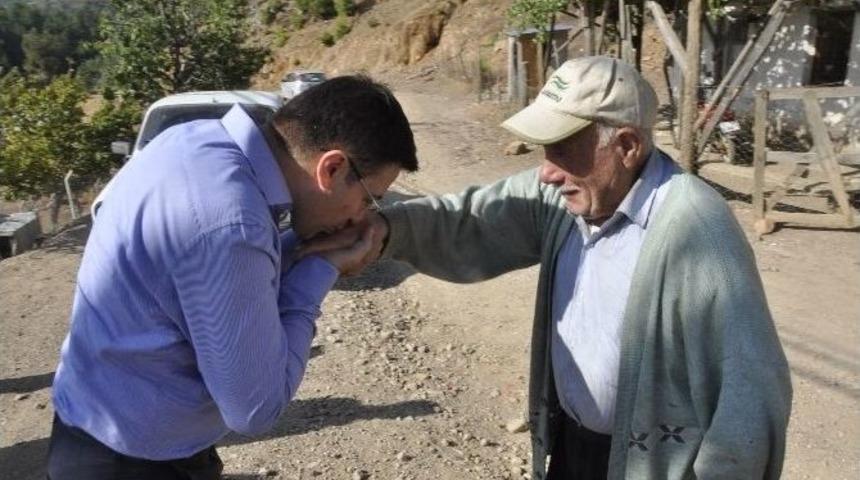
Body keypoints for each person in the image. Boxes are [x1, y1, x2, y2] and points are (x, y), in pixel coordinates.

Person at [305, 56, 792, 479]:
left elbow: (752, 398)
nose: (546, 170)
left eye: (562, 148)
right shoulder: (569, 198)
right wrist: (381, 230)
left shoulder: (695, 228)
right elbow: (471, 220)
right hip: (571, 448)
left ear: (626, 146)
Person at [47, 75, 417, 479]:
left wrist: (302, 246)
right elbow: (255, 409)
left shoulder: (193, 139)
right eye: (367, 198)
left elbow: (214, 266)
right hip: (130, 464)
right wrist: (322, 268)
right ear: (332, 167)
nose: (360, 216)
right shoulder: (231, 224)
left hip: (97, 428)